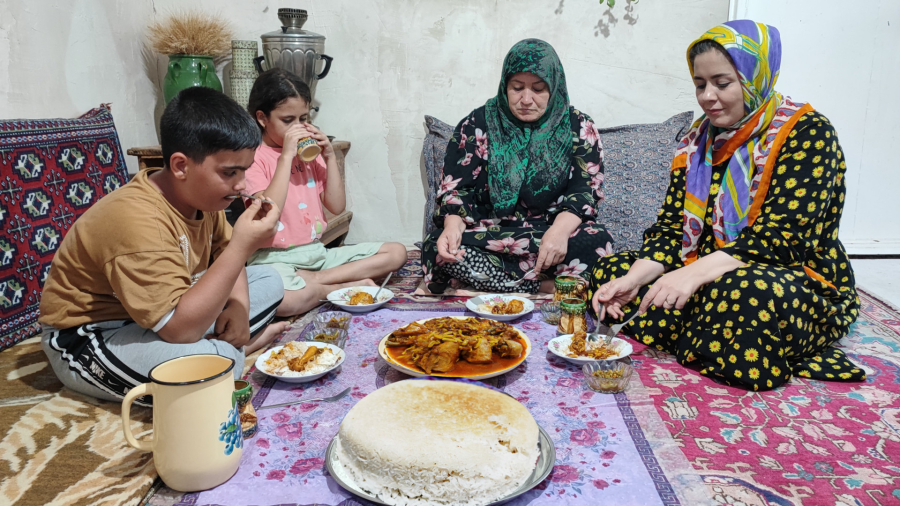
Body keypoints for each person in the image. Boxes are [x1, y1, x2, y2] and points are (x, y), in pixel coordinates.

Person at [590, 21, 865, 390]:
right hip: (708, 264)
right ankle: (706, 329)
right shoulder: (697, 140)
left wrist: (691, 275)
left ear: (754, 79)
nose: (707, 97)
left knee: (747, 295)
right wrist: (633, 280)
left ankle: (704, 324)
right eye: (700, 84)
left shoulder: (807, 132)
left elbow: (781, 240)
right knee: (613, 272)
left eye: (722, 83)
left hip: (789, 273)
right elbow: (672, 230)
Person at [39, 87, 288, 405]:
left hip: (163, 315)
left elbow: (225, 252)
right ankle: (236, 348)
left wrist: (238, 308)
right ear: (181, 166)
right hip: (93, 336)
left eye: (244, 170)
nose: (241, 184)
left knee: (269, 280)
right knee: (218, 364)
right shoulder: (137, 219)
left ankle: (231, 343)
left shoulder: (202, 198)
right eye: (229, 172)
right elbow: (179, 331)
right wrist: (244, 246)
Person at [421, 39, 614, 294]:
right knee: (436, 245)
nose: (526, 99)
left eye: (538, 89)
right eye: (517, 87)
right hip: (489, 231)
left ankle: (485, 282)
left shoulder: (578, 126)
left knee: (598, 241)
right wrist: (452, 227)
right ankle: (543, 285)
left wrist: (557, 232)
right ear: (505, 86)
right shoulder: (478, 122)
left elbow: (584, 193)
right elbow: (457, 189)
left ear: (554, 87)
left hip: (552, 231)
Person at [244, 69, 407, 315]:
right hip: (273, 258)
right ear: (262, 118)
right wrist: (286, 155)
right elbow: (269, 212)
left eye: (304, 118)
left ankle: (317, 280)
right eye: (288, 120)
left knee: (396, 252)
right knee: (283, 302)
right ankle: (339, 286)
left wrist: (329, 156)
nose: (298, 127)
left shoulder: (308, 155)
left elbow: (336, 206)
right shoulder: (251, 157)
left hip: (316, 254)